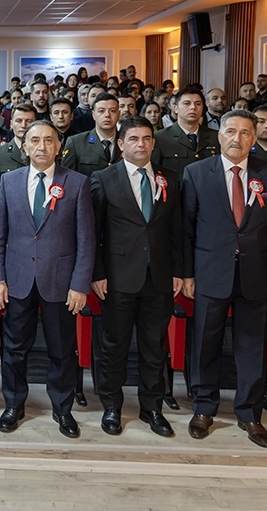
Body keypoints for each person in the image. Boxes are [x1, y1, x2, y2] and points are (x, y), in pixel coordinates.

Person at [182, 109, 267, 447]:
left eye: (245, 133)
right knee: (205, 344)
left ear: (254, 138)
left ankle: (250, 413)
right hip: (210, 274)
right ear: (219, 135)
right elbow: (185, 229)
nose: (237, 138)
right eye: (230, 131)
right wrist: (186, 273)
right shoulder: (196, 172)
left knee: (252, 348)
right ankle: (204, 408)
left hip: (257, 276)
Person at [0, 120, 93, 436]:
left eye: (49, 140)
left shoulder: (76, 183)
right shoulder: (9, 181)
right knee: (14, 349)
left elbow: (86, 239)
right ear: (24, 146)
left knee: (62, 350)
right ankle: (14, 405)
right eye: (34, 140)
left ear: (59, 146)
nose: (42, 146)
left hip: (61, 282)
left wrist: (79, 284)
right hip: (17, 279)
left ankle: (63, 409)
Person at [90, 117, 183, 438]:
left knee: (154, 346)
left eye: (146, 138)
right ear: (121, 144)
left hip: (159, 277)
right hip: (117, 278)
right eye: (133, 139)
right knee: (114, 345)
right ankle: (112, 406)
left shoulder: (170, 178)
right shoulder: (103, 179)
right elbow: (94, 233)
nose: (140, 144)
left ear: (153, 143)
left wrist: (179, 271)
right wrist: (97, 273)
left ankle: (152, 407)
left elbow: (176, 230)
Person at [152, 87, 220, 181]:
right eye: (187, 103)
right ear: (176, 108)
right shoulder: (160, 138)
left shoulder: (215, 136)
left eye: (198, 104)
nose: (193, 107)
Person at [0, 103, 37, 206]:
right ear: (11, 124)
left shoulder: (42, 152)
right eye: (18, 121)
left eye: (29, 121)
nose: (23, 125)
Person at [61, 93, 121, 177]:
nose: (107, 115)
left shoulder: (126, 141)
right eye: (101, 111)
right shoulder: (76, 142)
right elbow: (67, 177)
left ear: (119, 114)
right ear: (93, 115)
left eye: (112, 111)